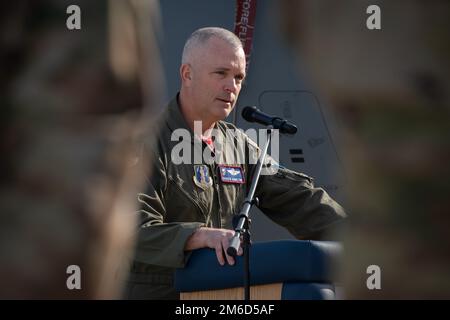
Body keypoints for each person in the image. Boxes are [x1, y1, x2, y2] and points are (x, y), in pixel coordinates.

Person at [125, 27, 347, 300]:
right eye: (221, 73)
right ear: (187, 74)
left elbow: (299, 199)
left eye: (238, 77)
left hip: (221, 290)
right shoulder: (144, 142)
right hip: (162, 293)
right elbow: (130, 231)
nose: (232, 86)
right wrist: (199, 236)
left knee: (315, 295)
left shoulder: (237, 145)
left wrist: (359, 238)